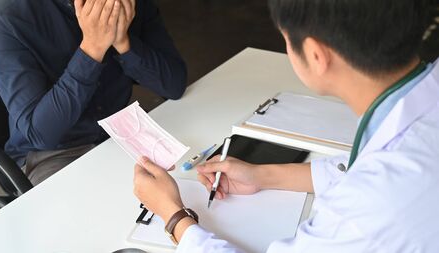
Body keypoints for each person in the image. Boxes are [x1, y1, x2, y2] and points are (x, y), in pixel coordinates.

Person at [133, 0, 439, 252]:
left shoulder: (370, 207)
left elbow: (375, 183)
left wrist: (174, 217)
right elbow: (368, 165)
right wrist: (264, 175)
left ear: (317, 56)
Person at [0, 0, 187, 185]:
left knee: (185, 189)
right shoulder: (5, 14)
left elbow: (174, 85)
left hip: (117, 133)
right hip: (49, 154)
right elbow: (40, 133)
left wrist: (123, 43)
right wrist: (93, 47)